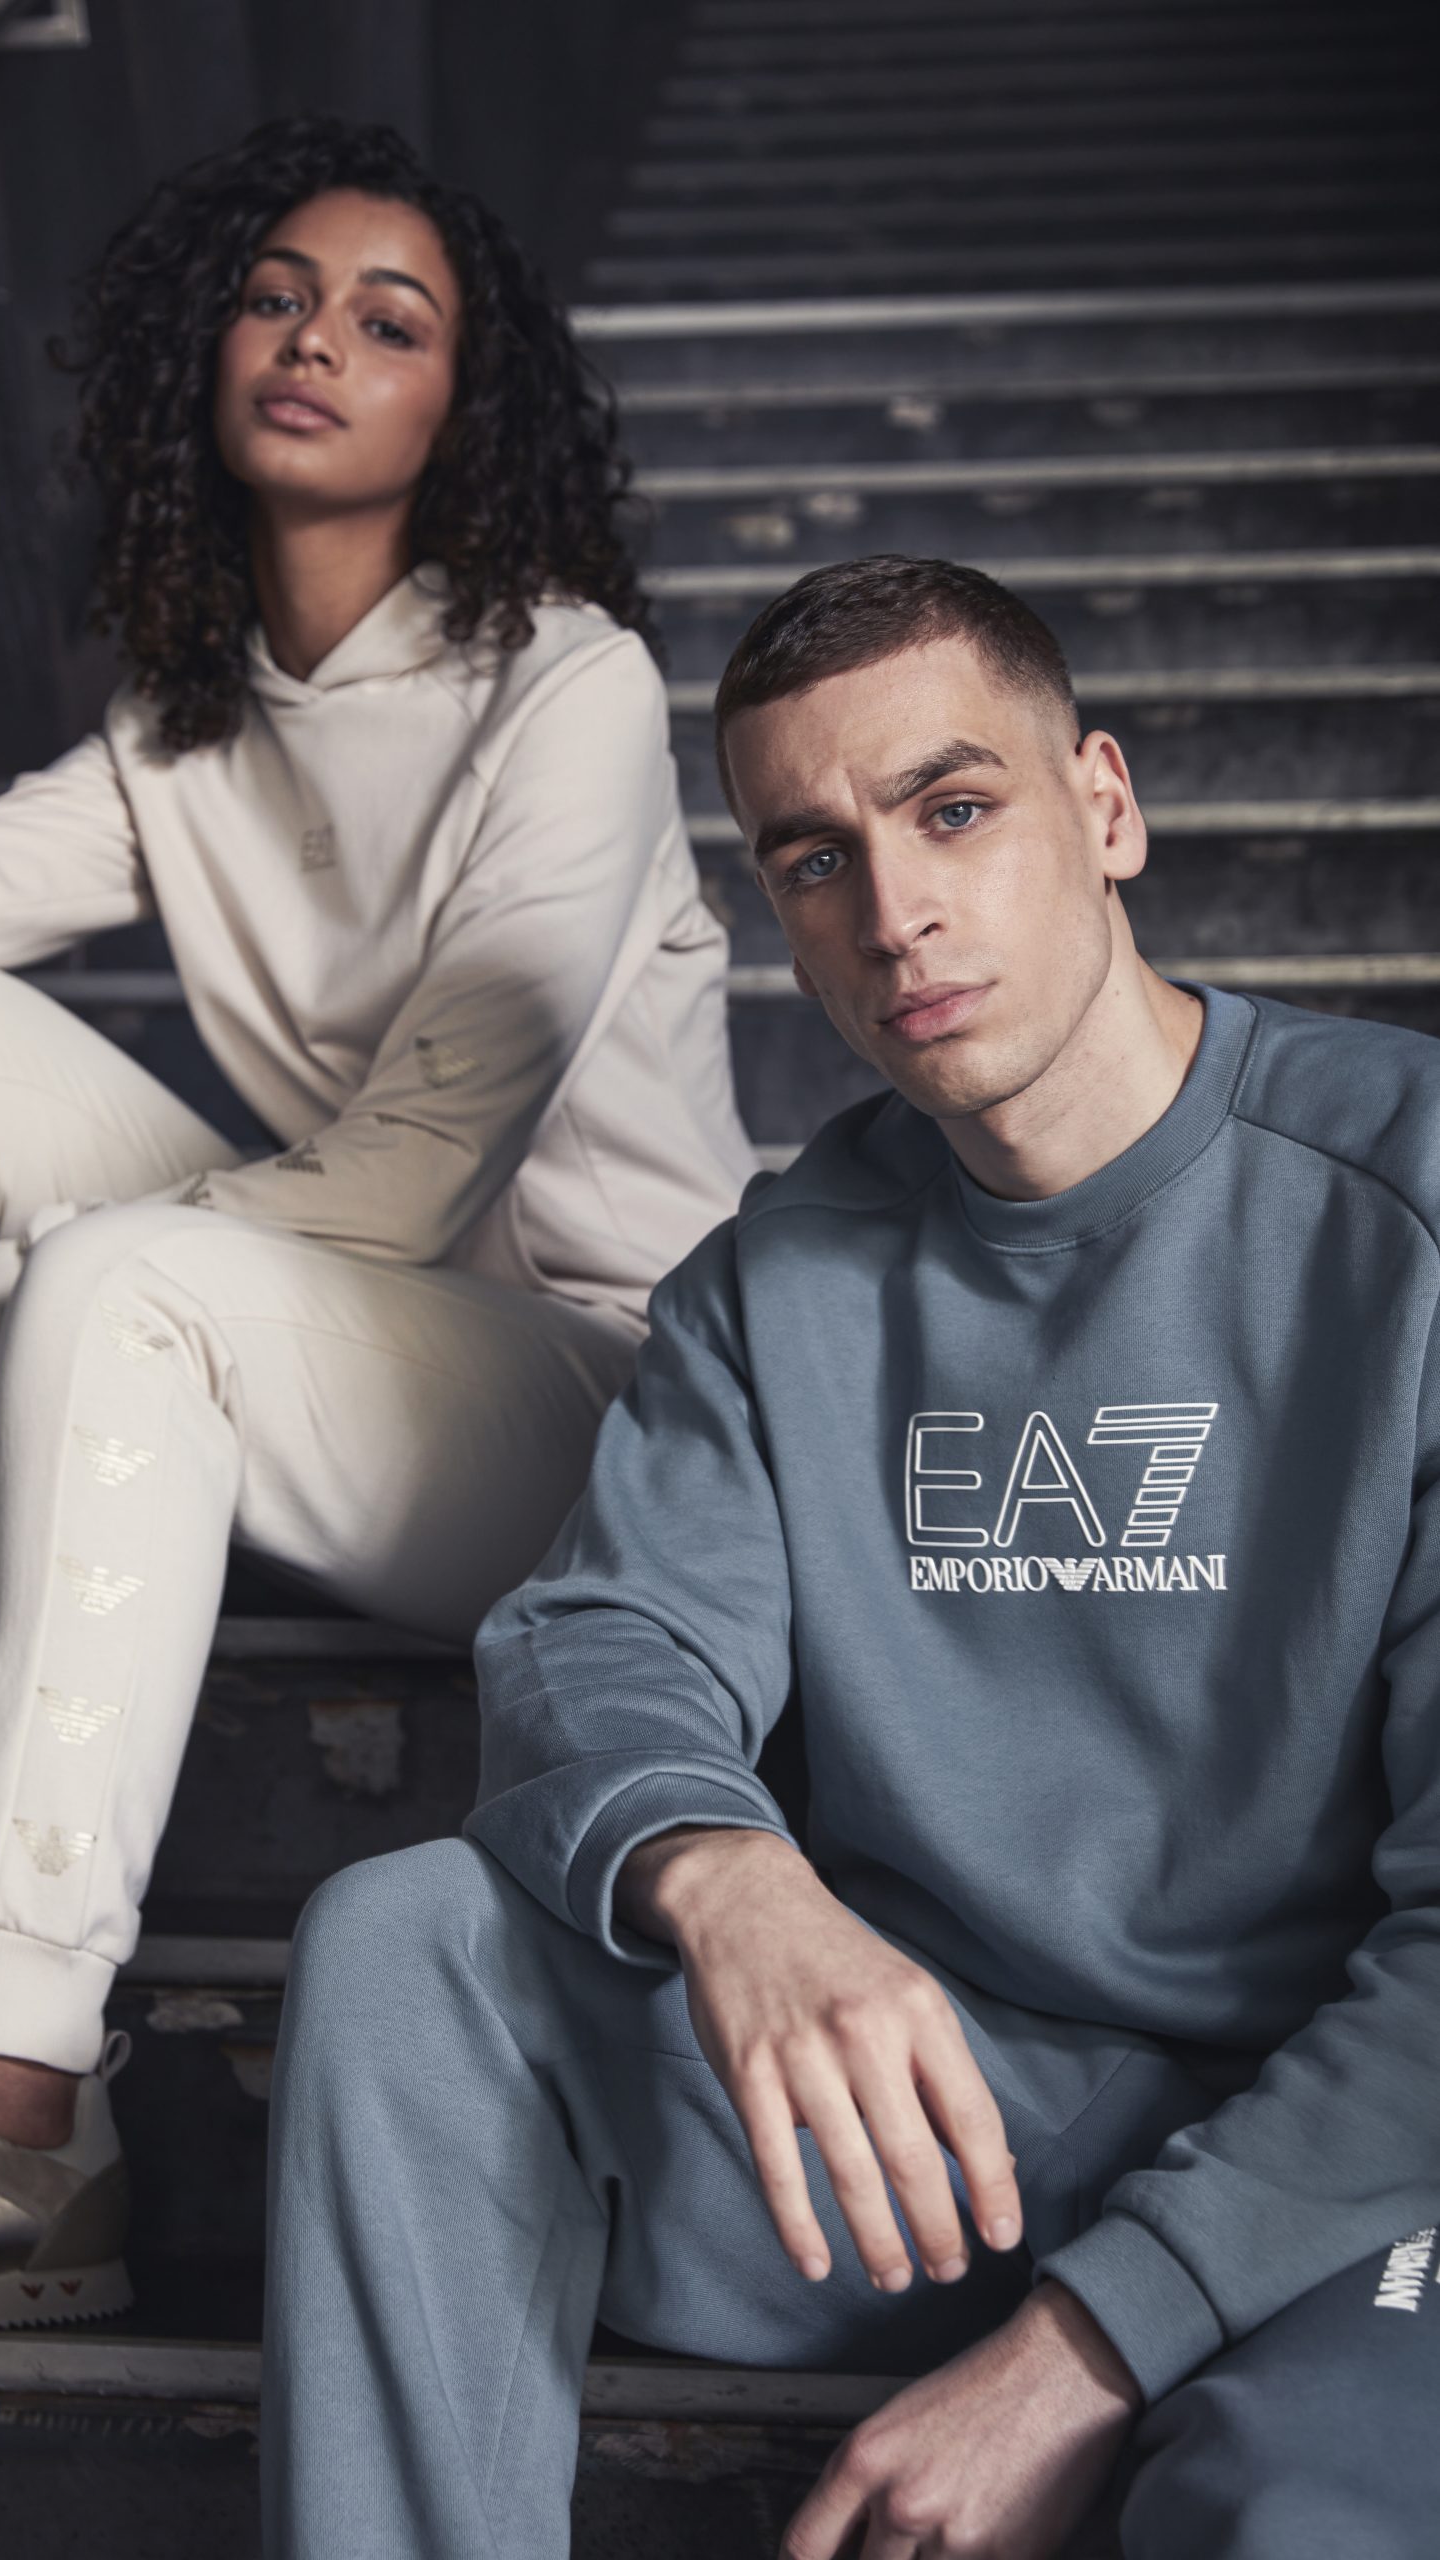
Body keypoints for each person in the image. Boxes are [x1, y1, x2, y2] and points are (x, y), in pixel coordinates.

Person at [263, 554, 1440, 2559]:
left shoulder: (1399, 1196)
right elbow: (598, 1636)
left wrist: (1091, 2343)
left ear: (1104, 806)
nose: (891, 913)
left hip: (1345, 2151)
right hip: (928, 2126)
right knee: (411, 1944)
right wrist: (726, 1876)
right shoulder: (775, 1277)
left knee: (1308, 2514)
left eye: (951, 809)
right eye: (812, 859)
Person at [0, 117, 755, 2364]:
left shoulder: (563, 685)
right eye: (278, 296)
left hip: (609, 1416)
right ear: (207, 348)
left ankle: (11, 2112)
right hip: (347, 1348)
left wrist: (17, 1283)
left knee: (115, 1275)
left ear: (458, 411)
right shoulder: (181, 728)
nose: (315, 342)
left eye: (390, 322)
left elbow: (409, 1175)